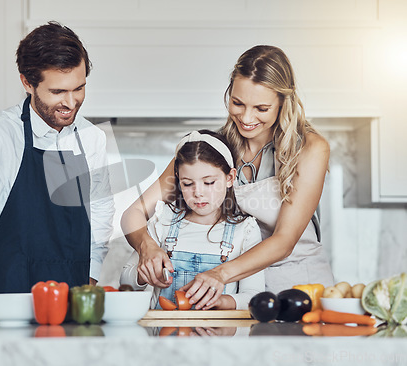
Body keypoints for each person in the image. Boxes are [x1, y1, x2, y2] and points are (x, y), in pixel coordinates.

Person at [121, 45, 334, 310]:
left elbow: (284, 240)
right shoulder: (213, 150)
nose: (246, 117)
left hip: (298, 287)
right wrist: (147, 247)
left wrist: (220, 274)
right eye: (237, 103)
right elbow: (133, 214)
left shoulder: (310, 149)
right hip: (233, 295)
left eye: (261, 108)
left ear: (283, 102)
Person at [0, 22, 115, 321]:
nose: (71, 103)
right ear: (27, 82)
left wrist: (90, 277)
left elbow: (100, 216)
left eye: (79, 88)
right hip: (0, 310)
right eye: (58, 91)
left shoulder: (92, 140)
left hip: (69, 313)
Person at [120, 130, 264, 310]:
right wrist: (144, 274)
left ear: (230, 178)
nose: (198, 192)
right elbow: (125, 280)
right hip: (162, 336)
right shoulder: (163, 221)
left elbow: (254, 297)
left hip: (217, 334)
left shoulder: (246, 230)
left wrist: (220, 301)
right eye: (187, 184)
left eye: (209, 182)